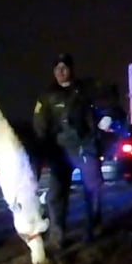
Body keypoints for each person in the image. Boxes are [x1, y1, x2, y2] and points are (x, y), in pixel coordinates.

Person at [33, 53, 103, 249]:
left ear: (71, 69)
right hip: (59, 150)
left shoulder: (84, 91)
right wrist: (43, 150)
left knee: (93, 188)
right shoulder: (47, 96)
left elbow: (97, 115)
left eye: (64, 67)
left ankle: (93, 229)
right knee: (56, 194)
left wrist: (95, 140)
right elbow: (40, 125)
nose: (61, 72)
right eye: (57, 68)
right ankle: (57, 235)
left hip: (83, 147)